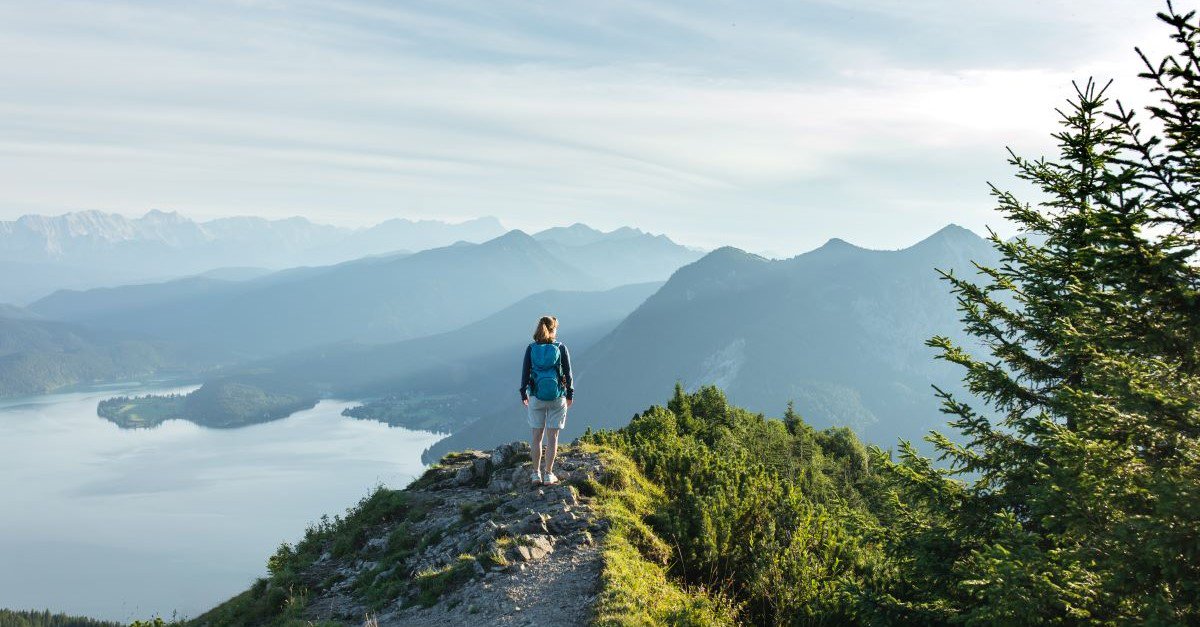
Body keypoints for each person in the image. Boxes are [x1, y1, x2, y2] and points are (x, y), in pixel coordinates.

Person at [520, 315, 573, 486]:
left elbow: (525, 373)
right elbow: (568, 373)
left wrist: (524, 393)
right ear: (553, 329)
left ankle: (535, 474)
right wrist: (570, 393)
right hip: (557, 396)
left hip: (536, 396)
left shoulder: (531, 348)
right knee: (553, 437)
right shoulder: (560, 347)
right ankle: (549, 474)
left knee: (536, 436)